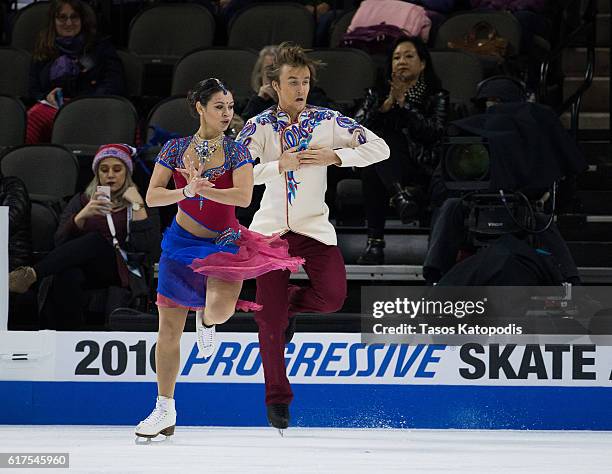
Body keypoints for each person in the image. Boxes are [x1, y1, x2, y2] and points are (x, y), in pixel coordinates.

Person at [135, 78, 303, 440]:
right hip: (179, 244)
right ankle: (164, 408)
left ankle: (207, 321)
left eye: (229, 107)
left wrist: (209, 189)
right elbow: (152, 197)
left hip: (225, 243)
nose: (227, 114)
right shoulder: (175, 149)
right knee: (167, 331)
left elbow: (243, 198)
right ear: (200, 107)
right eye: (219, 107)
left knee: (221, 311)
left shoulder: (237, 151)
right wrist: (186, 189)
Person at [236, 42, 390, 431]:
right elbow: (237, 174)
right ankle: (277, 399)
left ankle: (287, 304)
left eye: (305, 81)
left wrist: (337, 157)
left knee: (332, 298)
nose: (301, 87)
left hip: (314, 230)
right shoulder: (258, 126)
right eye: (293, 81)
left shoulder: (328, 121)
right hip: (270, 233)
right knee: (269, 322)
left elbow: (381, 148)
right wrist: (276, 165)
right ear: (274, 84)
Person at [7, 144, 158, 329]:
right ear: (97, 175)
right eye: (104, 170)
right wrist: (81, 216)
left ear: (127, 172)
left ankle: (31, 274)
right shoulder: (81, 201)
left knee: (95, 240)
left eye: (117, 169)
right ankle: (72, 337)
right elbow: (59, 243)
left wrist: (138, 205)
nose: (110, 174)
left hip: (122, 269)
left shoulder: (139, 203)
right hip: (87, 269)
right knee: (66, 275)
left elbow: (148, 249)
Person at [355, 35, 449, 265]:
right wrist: (384, 107)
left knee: (378, 154)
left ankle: (375, 244)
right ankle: (400, 196)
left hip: (418, 164)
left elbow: (435, 132)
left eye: (409, 56)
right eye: (397, 57)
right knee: (374, 158)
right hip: (383, 167)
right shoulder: (375, 95)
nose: (402, 61)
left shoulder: (436, 97)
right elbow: (354, 132)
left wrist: (404, 107)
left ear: (422, 63)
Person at [26, 0, 125, 144]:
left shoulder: (101, 47)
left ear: (82, 20)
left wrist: (80, 103)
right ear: (53, 21)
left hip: (92, 107)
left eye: (74, 17)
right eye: (62, 17)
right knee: (34, 115)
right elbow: (33, 89)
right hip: (53, 110)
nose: (68, 23)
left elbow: (114, 85)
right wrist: (46, 96)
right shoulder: (43, 50)